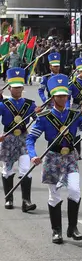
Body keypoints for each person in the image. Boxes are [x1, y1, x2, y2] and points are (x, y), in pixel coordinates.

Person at [27, 74, 82, 244]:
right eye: (58, 95)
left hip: (70, 157)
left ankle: (72, 228)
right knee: (55, 195)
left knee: (74, 191)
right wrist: (33, 155)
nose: (62, 98)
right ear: (52, 97)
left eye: (64, 95)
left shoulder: (75, 114)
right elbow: (30, 139)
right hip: (52, 157)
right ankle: (56, 231)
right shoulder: (44, 117)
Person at [1, 68, 39, 212]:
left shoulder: (29, 104)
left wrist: (38, 114)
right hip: (8, 139)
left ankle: (26, 201)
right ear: (9, 88)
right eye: (14, 87)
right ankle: (9, 198)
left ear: (23, 88)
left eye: (19, 87)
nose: (17, 90)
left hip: (23, 138)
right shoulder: (3, 105)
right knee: (7, 170)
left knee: (25, 169)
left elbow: (38, 121)